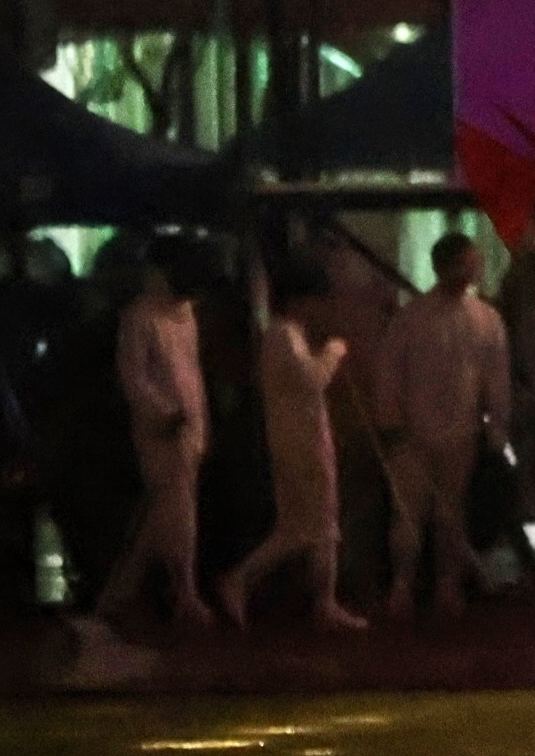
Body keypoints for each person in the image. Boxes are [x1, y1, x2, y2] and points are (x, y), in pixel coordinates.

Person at [368, 231, 513, 619]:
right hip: (413, 433)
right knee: (410, 512)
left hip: (459, 432)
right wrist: (392, 424)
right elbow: (389, 374)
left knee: (450, 512)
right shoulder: (413, 319)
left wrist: (496, 424)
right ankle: (404, 584)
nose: (472, 271)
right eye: (467, 264)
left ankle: (445, 585)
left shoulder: (484, 320)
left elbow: (495, 377)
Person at [217, 263, 361, 630]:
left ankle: (324, 601)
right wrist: (333, 352)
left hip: (301, 438)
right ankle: (241, 579)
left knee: (315, 524)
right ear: (300, 300)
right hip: (299, 442)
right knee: (309, 524)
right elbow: (312, 380)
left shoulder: (287, 334)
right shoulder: (283, 336)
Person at [98, 248, 209, 625]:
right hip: (160, 432)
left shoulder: (183, 314)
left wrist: (199, 423)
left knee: (167, 512)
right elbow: (134, 377)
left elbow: (192, 374)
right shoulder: (140, 317)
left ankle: (125, 591)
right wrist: (164, 413)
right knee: (177, 513)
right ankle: (183, 592)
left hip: (186, 427)